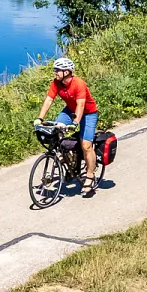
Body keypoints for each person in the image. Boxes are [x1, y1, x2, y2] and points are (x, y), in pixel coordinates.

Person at [36, 56, 100, 196]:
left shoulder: (78, 83)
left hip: (88, 113)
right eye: (55, 70)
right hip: (69, 111)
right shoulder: (56, 83)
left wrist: (75, 123)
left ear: (67, 72)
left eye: (58, 70)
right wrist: (40, 119)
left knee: (86, 146)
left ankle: (90, 175)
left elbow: (81, 105)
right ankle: (68, 156)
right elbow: (48, 100)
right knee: (56, 131)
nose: (55, 73)